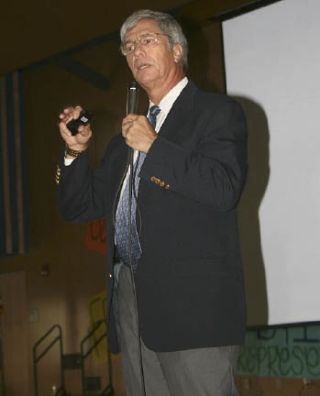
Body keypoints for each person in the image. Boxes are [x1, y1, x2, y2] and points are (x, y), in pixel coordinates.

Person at [56, 9, 247, 396]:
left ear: (177, 50)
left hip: (194, 308)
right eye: (129, 46)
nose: (135, 51)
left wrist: (155, 147)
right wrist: (74, 154)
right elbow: (79, 207)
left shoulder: (217, 113)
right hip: (132, 299)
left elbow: (224, 188)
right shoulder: (124, 139)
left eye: (147, 40)